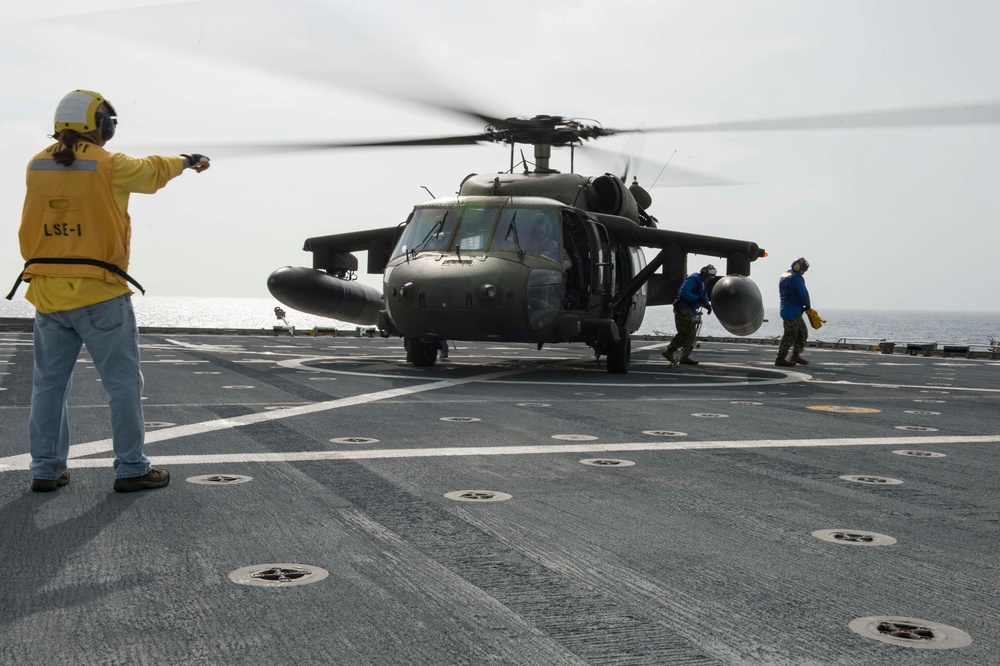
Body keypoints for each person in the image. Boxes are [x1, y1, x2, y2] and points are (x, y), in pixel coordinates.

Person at [8, 89, 211, 492]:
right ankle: (131, 467)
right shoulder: (109, 164)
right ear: (101, 126)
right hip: (100, 294)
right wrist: (187, 161)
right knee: (122, 385)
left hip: (48, 294)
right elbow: (153, 170)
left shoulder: (36, 164)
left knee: (48, 387)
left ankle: (46, 470)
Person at [662, 264, 716, 365]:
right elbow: (684, 292)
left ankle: (684, 356)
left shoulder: (704, 283)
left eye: (712, 277)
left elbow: (704, 296)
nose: (710, 278)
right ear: (704, 273)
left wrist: (707, 306)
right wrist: (696, 298)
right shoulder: (694, 279)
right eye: (709, 276)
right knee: (685, 332)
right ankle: (669, 351)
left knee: (691, 334)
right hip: (683, 309)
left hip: (691, 310)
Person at [776, 257, 811, 367]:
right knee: (790, 335)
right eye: (803, 270)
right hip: (792, 311)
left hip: (790, 310)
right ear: (798, 267)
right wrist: (808, 305)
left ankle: (795, 355)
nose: (804, 272)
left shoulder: (785, 275)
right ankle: (780, 358)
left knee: (802, 333)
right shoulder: (797, 278)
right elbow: (803, 293)